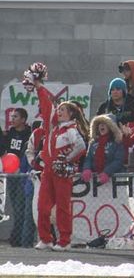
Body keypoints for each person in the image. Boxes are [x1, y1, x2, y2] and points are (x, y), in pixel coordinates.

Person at [32, 76, 88, 250]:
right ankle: (46, 239)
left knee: (63, 207)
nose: (59, 111)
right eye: (59, 109)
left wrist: (66, 159)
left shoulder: (71, 129)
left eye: (63, 109)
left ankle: (64, 240)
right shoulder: (52, 128)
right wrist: (39, 87)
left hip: (62, 172)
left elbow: (81, 146)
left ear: (71, 114)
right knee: (42, 206)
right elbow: (48, 106)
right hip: (48, 171)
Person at [2, 108, 32, 247]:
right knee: (15, 207)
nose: (12, 119)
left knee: (22, 207)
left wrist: (20, 168)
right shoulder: (9, 133)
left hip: (23, 175)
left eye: (16, 116)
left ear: (23, 119)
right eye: (12, 116)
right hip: (11, 174)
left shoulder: (28, 133)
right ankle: (16, 237)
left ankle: (19, 238)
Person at [81, 115, 125, 184]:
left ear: (111, 127)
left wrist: (107, 172)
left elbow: (118, 161)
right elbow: (88, 158)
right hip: (95, 179)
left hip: (114, 179)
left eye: (105, 123)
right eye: (99, 124)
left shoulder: (117, 142)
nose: (101, 125)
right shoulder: (93, 143)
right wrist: (87, 169)